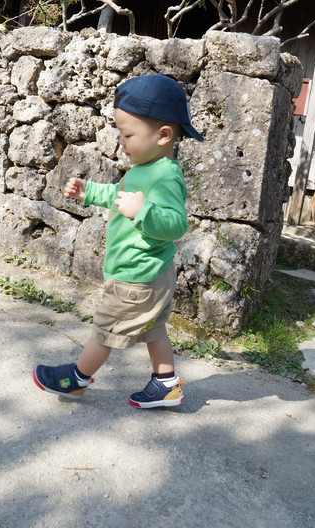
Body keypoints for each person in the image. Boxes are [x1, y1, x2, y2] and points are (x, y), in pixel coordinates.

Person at [33, 73, 204, 408]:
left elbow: (176, 224)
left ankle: (74, 380)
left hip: (138, 277)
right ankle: (166, 384)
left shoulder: (165, 175)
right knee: (154, 328)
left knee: (105, 328)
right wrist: (90, 192)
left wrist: (143, 212)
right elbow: (119, 194)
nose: (121, 141)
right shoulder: (145, 167)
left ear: (163, 135)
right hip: (149, 273)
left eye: (127, 134)